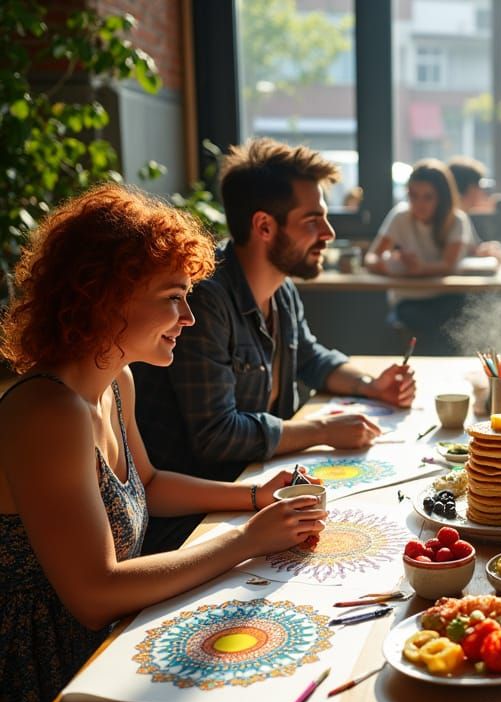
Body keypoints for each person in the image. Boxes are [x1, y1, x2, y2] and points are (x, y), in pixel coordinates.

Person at [0, 184, 327, 702]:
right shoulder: (47, 411)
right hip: (42, 674)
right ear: (106, 297)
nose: (189, 316)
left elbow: (148, 485)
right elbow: (95, 593)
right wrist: (247, 541)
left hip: (107, 641)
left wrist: (254, 497)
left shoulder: (115, 381)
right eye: (174, 296)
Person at [133, 138, 415, 550]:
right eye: (313, 219)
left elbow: (312, 357)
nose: (329, 233)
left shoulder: (279, 289)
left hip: (259, 492)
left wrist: (371, 384)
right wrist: (320, 430)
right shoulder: (206, 300)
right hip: (200, 523)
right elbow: (216, 435)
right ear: (264, 226)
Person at [364, 158, 472, 355]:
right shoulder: (400, 217)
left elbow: (449, 264)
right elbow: (371, 258)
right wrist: (389, 266)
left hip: (444, 297)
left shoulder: (456, 220)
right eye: (413, 196)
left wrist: (420, 268)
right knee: (430, 331)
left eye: (427, 197)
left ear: (442, 197)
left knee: (459, 318)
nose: (418, 204)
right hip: (408, 300)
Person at [447, 155, 501, 259]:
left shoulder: (463, 215)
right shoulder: (455, 218)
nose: (481, 191)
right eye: (479, 186)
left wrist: (483, 249)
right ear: (471, 188)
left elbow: (471, 249)